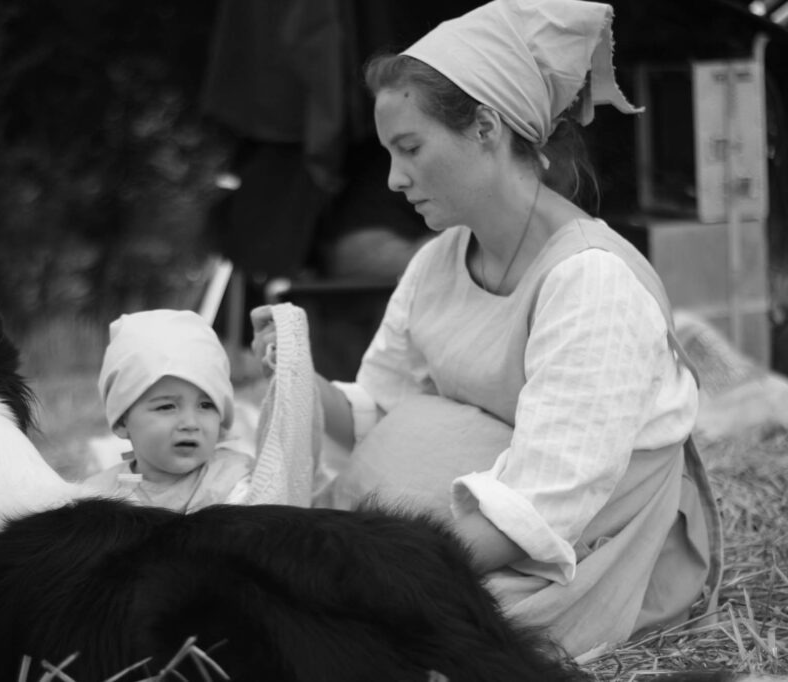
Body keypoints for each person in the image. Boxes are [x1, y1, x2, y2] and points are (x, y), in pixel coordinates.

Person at [249, 0, 723, 657]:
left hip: (554, 569)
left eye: (410, 148)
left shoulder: (591, 281)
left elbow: (545, 508)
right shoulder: (440, 260)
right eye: (389, 152)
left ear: (485, 128)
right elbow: (381, 412)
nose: (393, 179)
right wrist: (295, 370)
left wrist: (358, 577)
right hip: (428, 550)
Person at [85, 309, 254, 513]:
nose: (190, 423)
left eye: (206, 405)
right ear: (122, 421)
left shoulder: (235, 481)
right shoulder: (103, 494)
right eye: (166, 407)